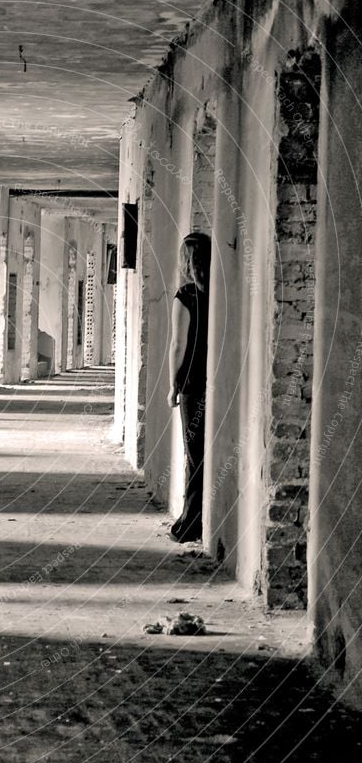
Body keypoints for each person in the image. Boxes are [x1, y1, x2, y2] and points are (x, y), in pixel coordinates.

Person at [167, 232, 210, 543]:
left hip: (193, 385)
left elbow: (178, 344)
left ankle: (190, 523)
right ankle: (194, 518)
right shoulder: (219, 294)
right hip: (216, 381)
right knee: (206, 453)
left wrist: (172, 384)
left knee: (195, 455)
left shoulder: (186, 296)